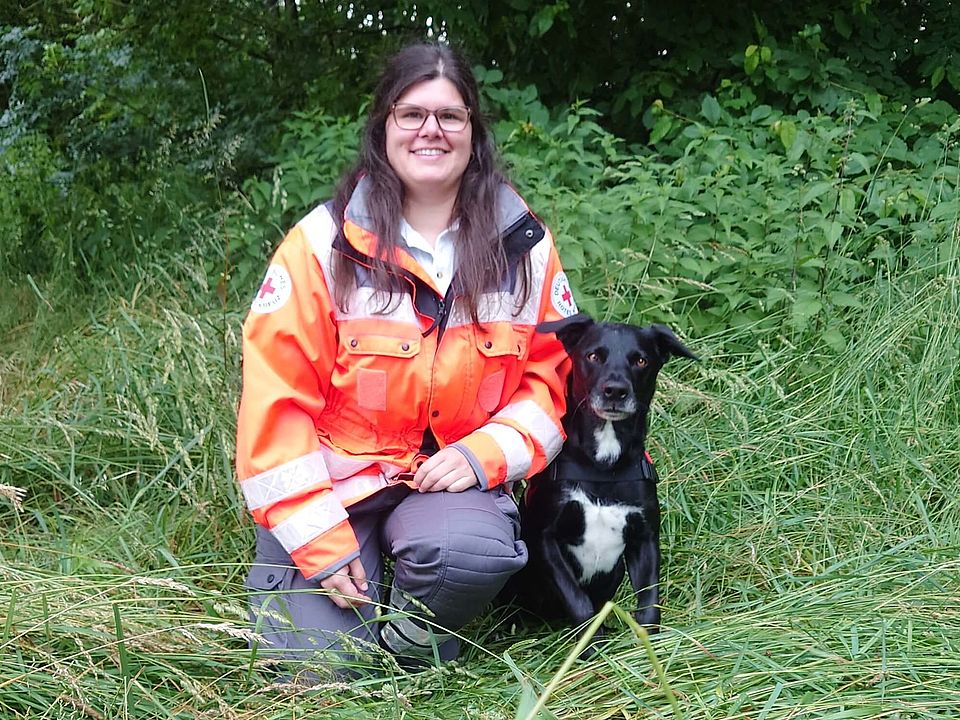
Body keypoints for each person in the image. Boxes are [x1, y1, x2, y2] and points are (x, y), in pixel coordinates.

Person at [235, 41, 578, 671]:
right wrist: (319, 543)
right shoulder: (322, 244)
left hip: (449, 482)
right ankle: (354, 597)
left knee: (469, 555)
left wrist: (485, 453)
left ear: (473, 130)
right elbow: (274, 404)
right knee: (318, 672)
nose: (431, 130)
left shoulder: (523, 246)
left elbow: (551, 377)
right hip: (338, 486)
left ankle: (411, 639)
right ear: (383, 127)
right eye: (410, 113)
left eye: (450, 116)